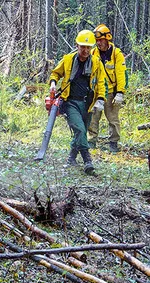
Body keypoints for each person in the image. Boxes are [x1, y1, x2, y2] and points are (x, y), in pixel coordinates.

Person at [49, 30, 106, 175]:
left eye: (88, 47)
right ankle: (88, 161)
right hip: (70, 102)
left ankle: (71, 158)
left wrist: (100, 99)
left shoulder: (96, 63)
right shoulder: (68, 59)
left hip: (87, 103)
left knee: (82, 131)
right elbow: (55, 73)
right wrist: (53, 83)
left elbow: (100, 83)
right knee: (79, 129)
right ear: (77, 45)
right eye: (82, 47)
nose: (85, 50)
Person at [88, 24, 127, 152]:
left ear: (107, 39)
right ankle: (91, 141)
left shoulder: (116, 54)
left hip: (111, 93)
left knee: (113, 118)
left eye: (101, 40)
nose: (99, 43)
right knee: (93, 117)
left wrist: (120, 92)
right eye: (97, 40)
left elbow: (121, 74)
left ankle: (113, 143)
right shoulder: (93, 53)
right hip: (97, 92)